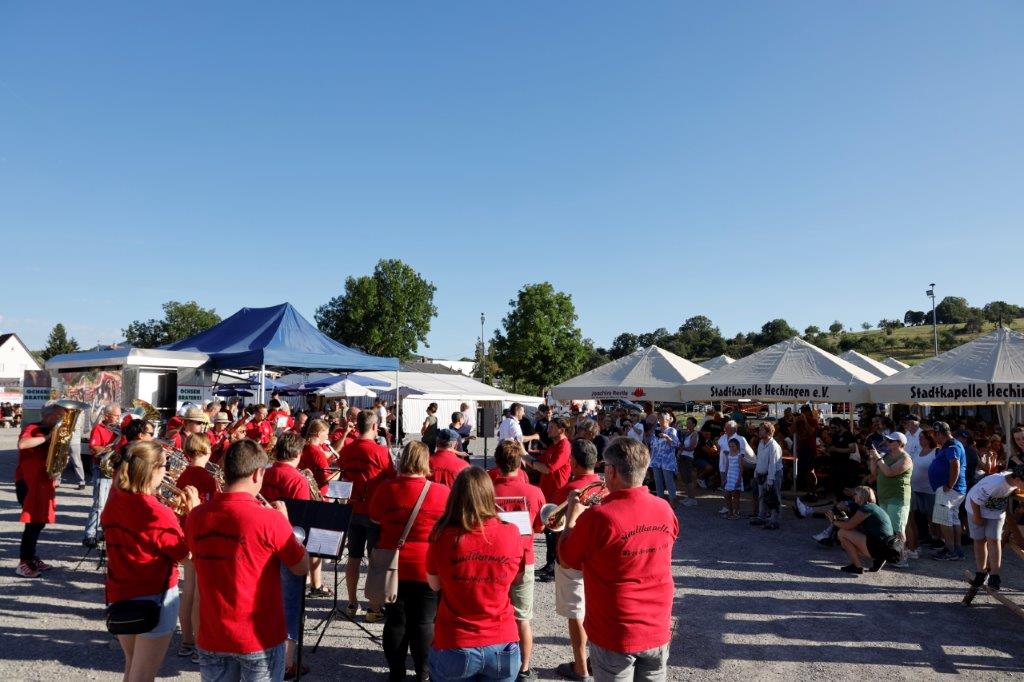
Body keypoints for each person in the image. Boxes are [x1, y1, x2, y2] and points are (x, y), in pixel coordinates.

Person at [186, 439, 310, 682]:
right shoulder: (270, 519)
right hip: (259, 637)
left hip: (213, 634)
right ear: (258, 473)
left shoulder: (196, 516)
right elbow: (301, 567)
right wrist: (285, 525)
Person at [559, 437, 677, 681]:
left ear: (611, 471)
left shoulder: (599, 516)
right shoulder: (664, 508)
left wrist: (571, 518)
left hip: (615, 629)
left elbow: (567, 558)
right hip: (657, 625)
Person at [101, 440, 199, 681]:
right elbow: (186, 556)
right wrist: (193, 514)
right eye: (165, 466)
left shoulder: (115, 499)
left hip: (119, 593)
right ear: (152, 470)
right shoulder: (157, 512)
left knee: (132, 668)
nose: (167, 472)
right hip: (154, 597)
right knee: (143, 675)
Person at [426, 467, 526, 682]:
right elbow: (517, 579)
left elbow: (434, 584)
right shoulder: (511, 532)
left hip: (456, 640)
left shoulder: (441, 535)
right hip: (502, 641)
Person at [370, 442, 451, 682]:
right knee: (424, 622)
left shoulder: (386, 488)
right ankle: (423, 673)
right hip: (427, 565)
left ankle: (396, 673)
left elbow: (375, 518)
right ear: (425, 462)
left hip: (393, 565)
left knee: (395, 621)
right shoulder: (441, 492)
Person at [490, 440, 546, 681]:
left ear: (497, 463)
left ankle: (493, 663)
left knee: (493, 612)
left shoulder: (486, 490)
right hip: (523, 558)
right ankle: (524, 668)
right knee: (523, 617)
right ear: (520, 463)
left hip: (492, 558)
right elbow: (540, 526)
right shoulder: (534, 492)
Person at [259, 432, 313, 679]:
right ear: (298, 453)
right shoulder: (297, 479)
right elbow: (303, 518)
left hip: (263, 542)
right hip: (287, 542)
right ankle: (287, 662)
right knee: (291, 602)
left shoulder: (264, 473)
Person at [550, 439, 603, 681]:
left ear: (573, 462)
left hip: (573, 557)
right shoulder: (606, 486)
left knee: (576, 612)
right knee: (598, 610)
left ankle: (580, 667)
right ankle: (597, 661)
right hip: (600, 557)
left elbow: (552, 522)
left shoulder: (569, 489)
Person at [340, 410, 396, 621]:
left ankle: (352, 603)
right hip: (374, 513)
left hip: (353, 510)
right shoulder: (380, 452)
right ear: (374, 427)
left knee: (353, 557)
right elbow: (392, 478)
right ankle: (373, 607)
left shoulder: (347, 449)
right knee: (376, 561)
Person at [14, 403, 66, 578]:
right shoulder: (33, 427)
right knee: (33, 523)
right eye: (59, 416)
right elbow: (23, 444)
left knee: (39, 522)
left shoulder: (54, 430)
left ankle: (31, 557)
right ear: (48, 415)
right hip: (28, 482)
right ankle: (23, 562)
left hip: (44, 482)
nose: (62, 419)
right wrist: (48, 437)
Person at [524, 418, 572, 581]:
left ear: (561, 430)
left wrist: (526, 457)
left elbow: (548, 468)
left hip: (557, 493)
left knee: (554, 531)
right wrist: (528, 457)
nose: (548, 430)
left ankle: (554, 567)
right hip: (549, 493)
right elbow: (542, 461)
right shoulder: (554, 445)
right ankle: (550, 563)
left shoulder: (564, 446)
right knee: (549, 530)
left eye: (552, 427)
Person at [965, 464, 1024, 592]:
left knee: (994, 539)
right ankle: (980, 572)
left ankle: (994, 576)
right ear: (1018, 479)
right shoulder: (995, 483)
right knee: (980, 540)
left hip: (996, 510)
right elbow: (975, 500)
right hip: (976, 508)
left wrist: (1017, 489)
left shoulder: (1014, 480)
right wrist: (977, 517)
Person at [827, 485, 899, 574]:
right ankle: (878, 559)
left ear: (862, 496)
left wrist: (833, 521)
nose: (853, 496)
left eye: (855, 494)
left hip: (879, 546)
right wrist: (843, 516)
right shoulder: (873, 507)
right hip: (884, 546)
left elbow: (848, 526)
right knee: (848, 535)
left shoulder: (866, 508)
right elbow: (854, 526)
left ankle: (857, 567)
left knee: (842, 533)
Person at [868, 432, 913, 568]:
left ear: (900, 444)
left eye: (891, 441)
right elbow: (874, 473)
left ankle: (902, 558)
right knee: (887, 528)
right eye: (887, 440)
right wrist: (873, 458)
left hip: (898, 497)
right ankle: (891, 554)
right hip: (884, 496)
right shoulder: (886, 456)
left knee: (898, 529)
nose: (887, 442)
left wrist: (877, 458)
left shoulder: (906, 458)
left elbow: (889, 472)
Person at [83, 403, 124, 548]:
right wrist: (110, 450)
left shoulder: (119, 430)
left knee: (112, 504)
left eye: (119, 416)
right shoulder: (99, 429)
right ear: (107, 416)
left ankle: (104, 533)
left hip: (115, 469)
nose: (119, 418)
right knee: (99, 504)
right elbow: (94, 448)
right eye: (116, 416)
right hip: (101, 468)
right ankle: (90, 535)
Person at [929, 421, 968, 561]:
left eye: (934, 435)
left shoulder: (952, 446)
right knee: (953, 518)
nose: (934, 438)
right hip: (953, 489)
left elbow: (955, 465)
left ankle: (950, 549)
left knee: (944, 519)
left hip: (950, 489)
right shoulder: (952, 445)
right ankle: (956, 549)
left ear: (939, 434)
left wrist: (950, 485)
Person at [907, 430, 940, 558]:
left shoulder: (936, 451)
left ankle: (938, 538)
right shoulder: (917, 451)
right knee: (922, 515)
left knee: (933, 516)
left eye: (923, 438)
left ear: (929, 439)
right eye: (920, 438)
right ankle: (928, 536)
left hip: (930, 489)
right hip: (916, 488)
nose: (920, 440)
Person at [751, 423, 784, 530]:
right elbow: (759, 459)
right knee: (762, 496)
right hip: (762, 474)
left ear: (768, 432)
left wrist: (770, 480)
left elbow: (773, 464)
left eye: (761, 430)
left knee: (774, 498)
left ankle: (774, 521)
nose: (759, 432)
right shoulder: (761, 443)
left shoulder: (774, 446)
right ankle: (761, 517)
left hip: (773, 474)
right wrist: (756, 472)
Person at [647, 412, 680, 508]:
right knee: (658, 481)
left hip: (667, 460)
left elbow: (676, 444)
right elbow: (652, 445)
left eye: (661, 418)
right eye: (659, 418)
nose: (659, 421)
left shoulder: (672, 430)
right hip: (656, 460)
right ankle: (660, 502)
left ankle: (673, 502)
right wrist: (650, 458)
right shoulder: (656, 430)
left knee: (669, 481)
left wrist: (666, 437)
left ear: (667, 420)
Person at [298, 419, 337, 498]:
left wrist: (327, 461)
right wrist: (339, 471)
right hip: (319, 494)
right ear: (319, 434)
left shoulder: (303, 447)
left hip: (305, 491)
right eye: (326, 434)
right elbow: (327, 479)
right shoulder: (318, 453)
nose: (327, 437)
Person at [675, 417, 699, 508]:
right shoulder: (687, 433)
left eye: (689, 423)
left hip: (688, 458)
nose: (687, 424)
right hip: (682, 457)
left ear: (694, 424)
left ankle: (693, 499)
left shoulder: (695, 434)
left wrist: (681, 448)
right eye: (687, 422)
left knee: (688, 479)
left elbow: (692, 447)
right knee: (684, 479)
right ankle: (689, 497)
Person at [721, 437, 745, 519]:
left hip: (736, 477)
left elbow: (741, 469)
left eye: (733, 446)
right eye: (730, 446)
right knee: (727, 495)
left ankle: (736, 513)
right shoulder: (729, 455)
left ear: (737, 446)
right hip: (729, 477)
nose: (731, 448)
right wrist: (725, 478)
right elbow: (727, 467)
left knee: (736, 497)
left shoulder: (739, 456)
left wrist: (739, 480)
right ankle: (730, 512)